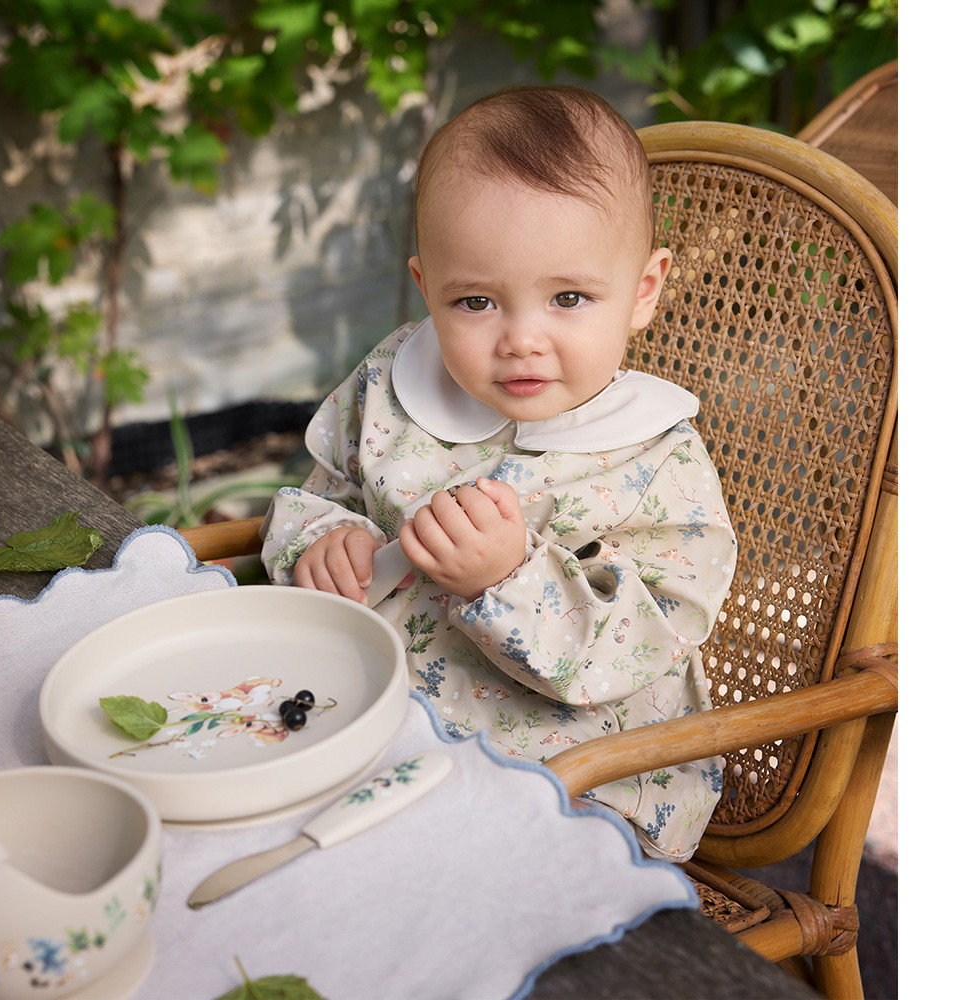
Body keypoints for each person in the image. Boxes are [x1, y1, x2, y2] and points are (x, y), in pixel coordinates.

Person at [260, 85, 737, 861]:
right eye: (476, 302)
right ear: (428, 288)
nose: (521, 339)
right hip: (374, 727)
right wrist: (326, 540)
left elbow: (646, 639)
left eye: (568, 298)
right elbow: (323, 493)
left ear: (642, 292)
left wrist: (508, 579)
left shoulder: (657, 460)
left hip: (572, 777)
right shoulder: (393, 384)